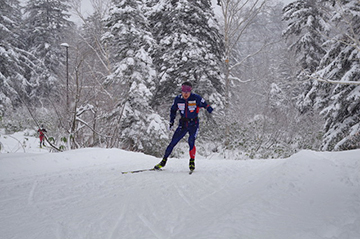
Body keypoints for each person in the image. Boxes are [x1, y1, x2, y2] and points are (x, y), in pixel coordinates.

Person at [154, 81, 213, 172]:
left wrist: (209, 109)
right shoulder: (178, 99)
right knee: (173, 142)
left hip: (194, 124)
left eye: (187, 91)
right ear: (181, 91)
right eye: (184, 91)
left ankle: (192, 161)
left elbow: (205, 104)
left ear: (190, 91)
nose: (185, 93)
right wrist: (171, 122)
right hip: (183, 124)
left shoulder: (196, 98)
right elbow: (173, 110)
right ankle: (163, 161)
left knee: (191, 141)